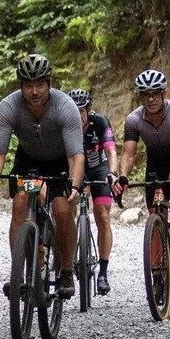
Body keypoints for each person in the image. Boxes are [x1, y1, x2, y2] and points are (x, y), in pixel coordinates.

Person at [0, 54, 86, 300]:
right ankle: (19, 273)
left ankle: (66, 270)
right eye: (28, 85)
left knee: (62, 209)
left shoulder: (65, 106)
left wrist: (75, 186)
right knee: (19, 203)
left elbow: (76, 157)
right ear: (20, 86)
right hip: (27, 159)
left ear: (49, 84)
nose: (34, 91)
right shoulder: (8, 106)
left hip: (61, 160)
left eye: (40, 85)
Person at [115, 69, 170, 255]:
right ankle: (158, 273)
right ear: (140, 97)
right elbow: (128, 154)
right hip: (155, 164)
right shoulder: (133, 120)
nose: (150, 99)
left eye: (155, 94)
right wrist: (122, 176)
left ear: (164, 94)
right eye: (145, 95)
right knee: (155, 214)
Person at [67, 87, 116, 294]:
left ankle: (103, 272)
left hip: (98, 170)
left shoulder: (100, 122)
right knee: (67, 207)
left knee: (102, 216)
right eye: (73, 111)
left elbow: (111, 151)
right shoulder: (66, 126)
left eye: (81, 111)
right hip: (74, 168)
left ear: (88, 110)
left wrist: (113, 173)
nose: (78, 116)